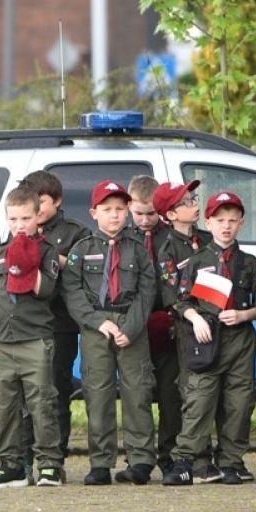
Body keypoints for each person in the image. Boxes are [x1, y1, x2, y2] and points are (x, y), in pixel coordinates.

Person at [60, 180, 156, 486]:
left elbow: (147, 289)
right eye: (107, 209)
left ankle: (140, 459)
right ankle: (100, 462)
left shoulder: (138, 250)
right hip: (96, 327)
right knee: (97, 394)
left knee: (137, 392)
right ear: (94, 213)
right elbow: (72, 290)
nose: (114, 215)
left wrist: (131, 327)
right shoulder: (81, 250)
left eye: (120, 209)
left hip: (131, 324)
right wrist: (97, 321)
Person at [162, 190, 256, 487]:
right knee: (199, 400)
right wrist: (195, 317)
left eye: (232, 220)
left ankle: (231, 461)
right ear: (209, 221)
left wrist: (245, 315)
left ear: (241, 223)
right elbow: (179, 300)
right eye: (219, 220)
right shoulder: (196, 261)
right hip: (205, 339)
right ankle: (186, 460)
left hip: (240, 339)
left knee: (239, 403)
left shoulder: (250, 263)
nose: (226, 226)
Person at [0, 185, 63, 488]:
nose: (19, 225)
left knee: (42, 403)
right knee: (4, 406)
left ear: (38, 217)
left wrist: (26, 255)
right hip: (0, 341)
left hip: (33, 341)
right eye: (13, 219)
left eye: (25, 218)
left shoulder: (47, 252)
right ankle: (10, 465)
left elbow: (45, 290)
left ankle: (49, 464)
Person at [19, 170, 84, 457]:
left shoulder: (75, 232)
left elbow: (83, 270)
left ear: (57, 201)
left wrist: (49, 258)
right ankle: (25, 452)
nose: (36, 208)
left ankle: (55, 453)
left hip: (60, 324)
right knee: (26, 392)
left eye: (41, 201)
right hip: (25, 324)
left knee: (56, 390)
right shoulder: (21, 229)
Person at [128, 173, 180, 478]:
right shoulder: (125, 239)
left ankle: (169, 452)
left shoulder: (171, 237)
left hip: (168, 322)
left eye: (152, 214)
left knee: (171, 393)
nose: (146, 220)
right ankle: (140, 457)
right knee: (139, 393)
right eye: (140, 214)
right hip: (136, 324)